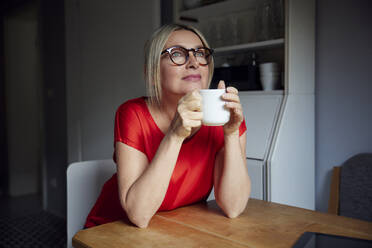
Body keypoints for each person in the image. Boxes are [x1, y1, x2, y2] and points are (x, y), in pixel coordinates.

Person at [84, 23, 251, 229]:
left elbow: (233, 207)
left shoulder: (224, 116)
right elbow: (139, 215)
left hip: (174, 230)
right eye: (177, 54)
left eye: (200, 53)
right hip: (111, 230)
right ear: (152, 73)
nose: (193, 62)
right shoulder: (132, 114)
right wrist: (174, 135)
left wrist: (232, 134)